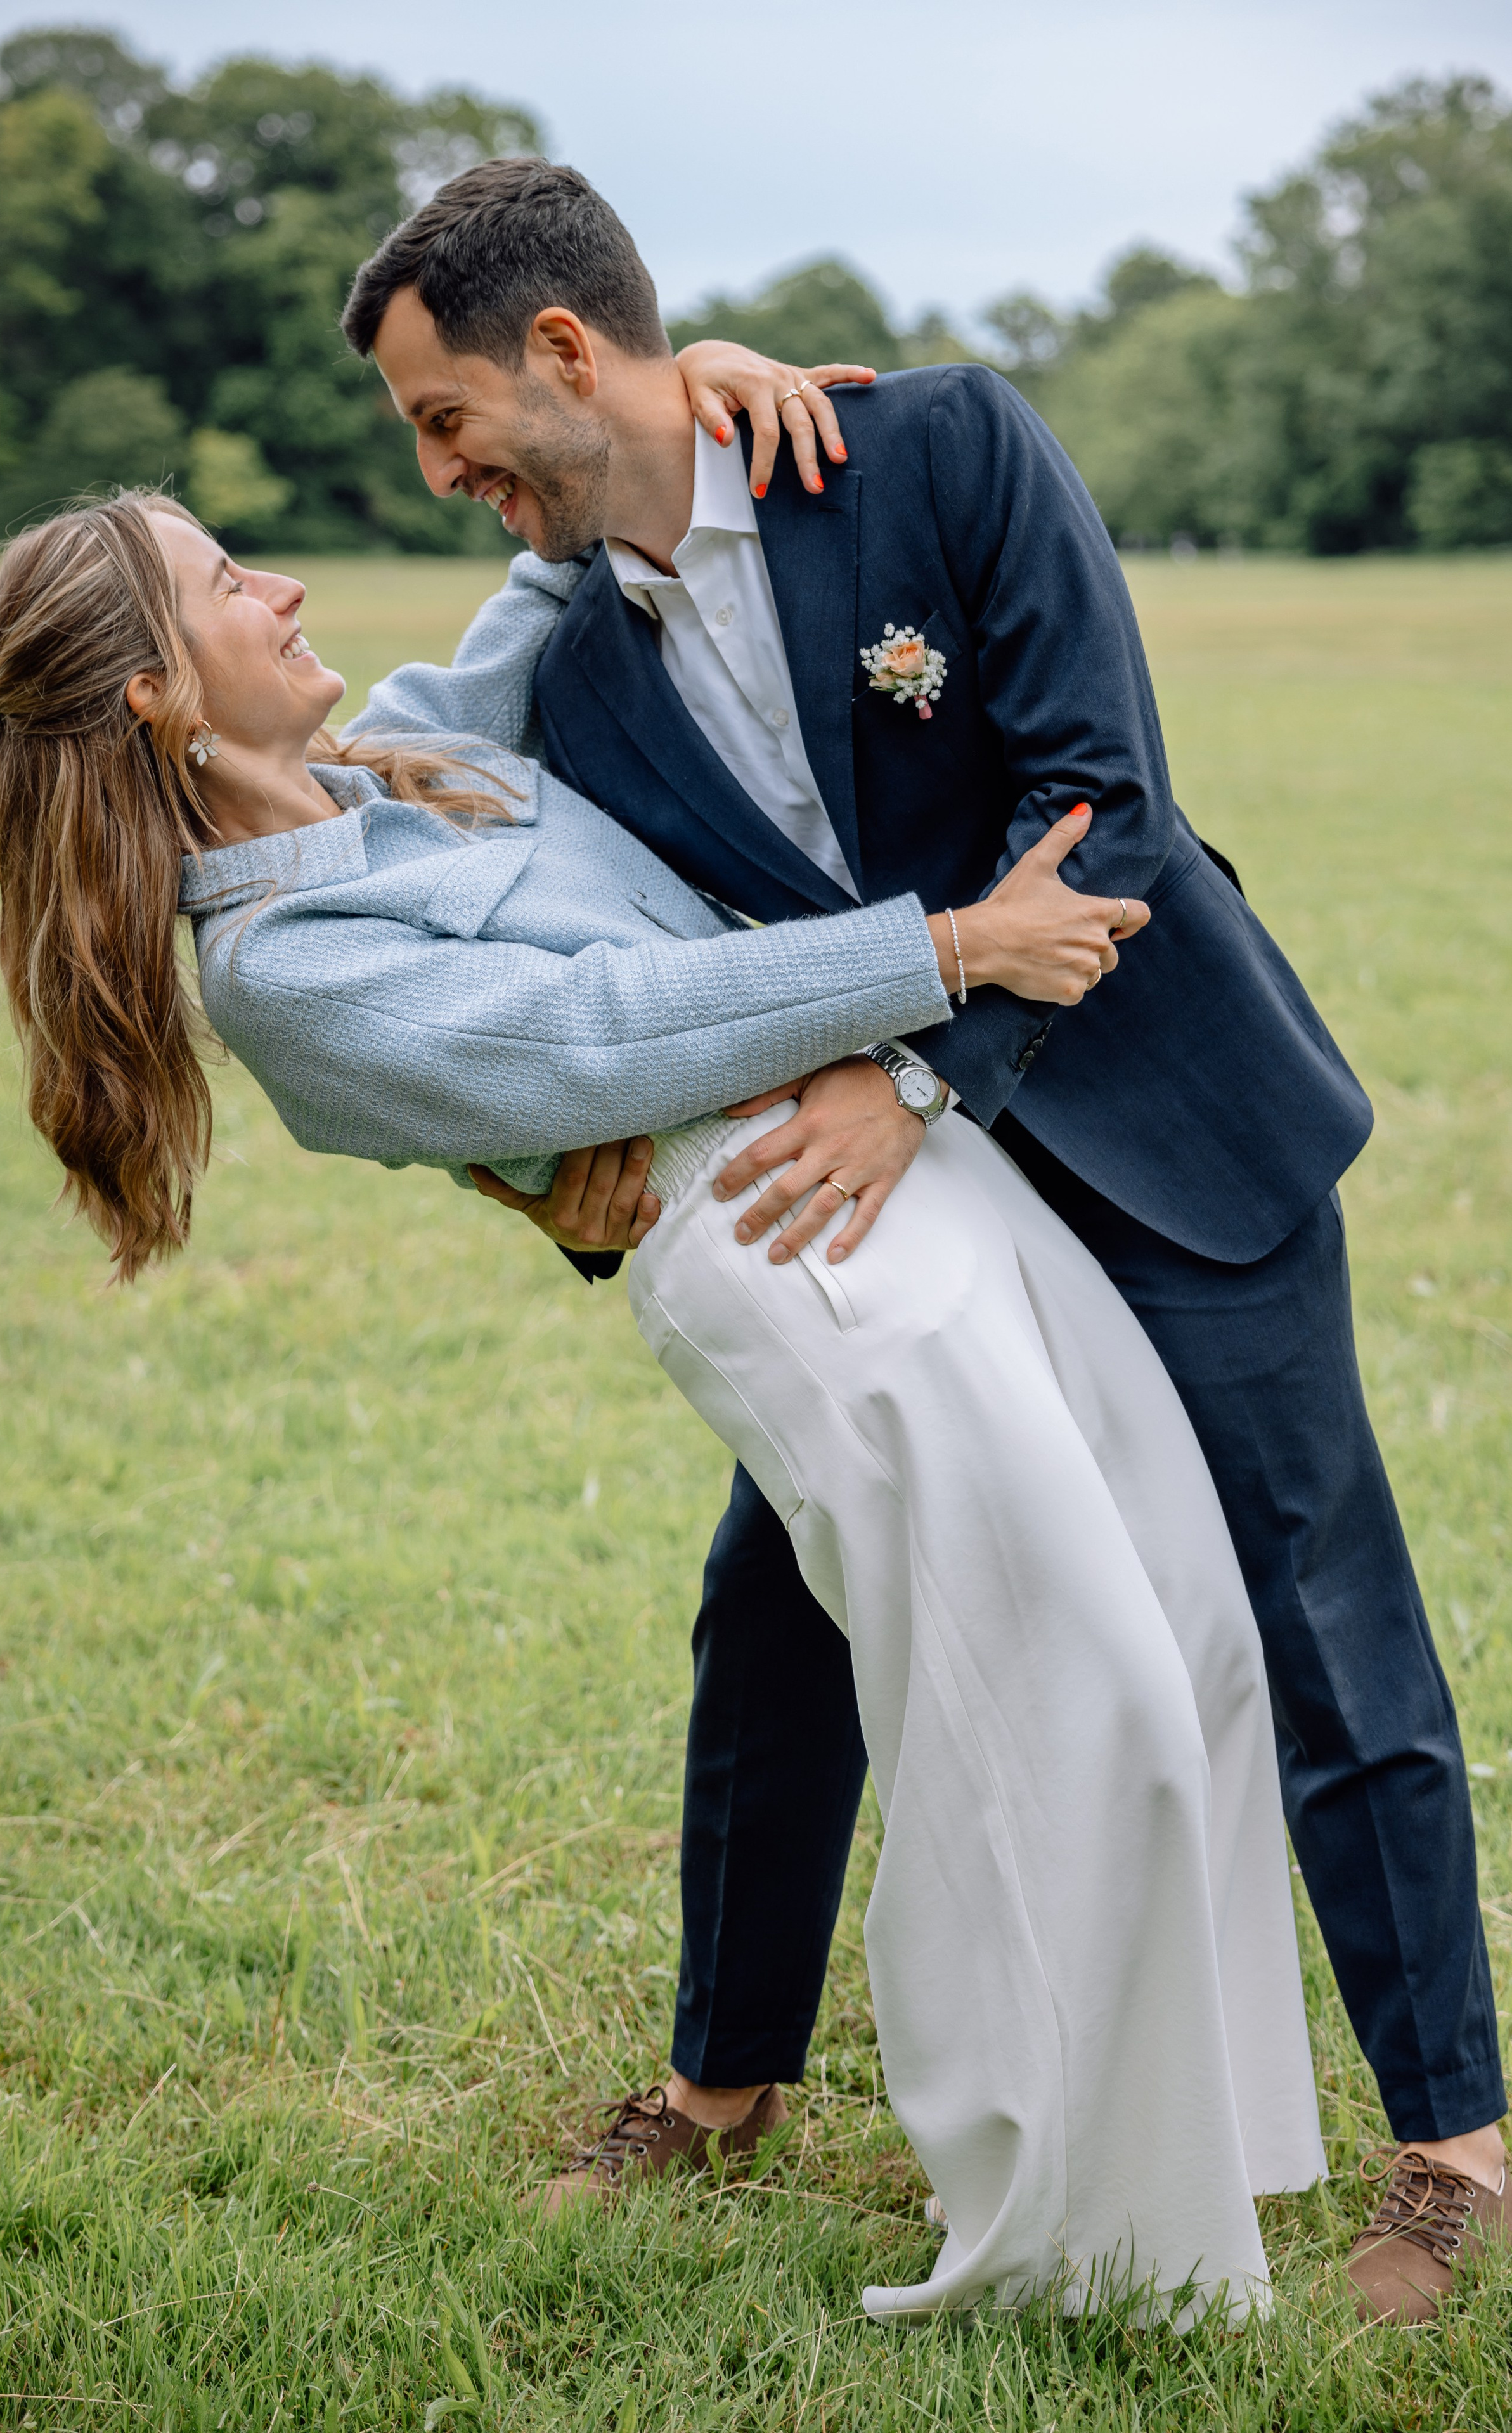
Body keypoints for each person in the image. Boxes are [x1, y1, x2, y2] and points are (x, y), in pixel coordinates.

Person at [337, 157, 1509, 2325]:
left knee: (1318, 1600)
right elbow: (526, 921)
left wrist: (918, 1072)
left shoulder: (942, 449)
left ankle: (1453, 2149)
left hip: (1155, 1125)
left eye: (444, 418)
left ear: (569, 352)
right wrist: (572, 1167)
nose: (439, 473)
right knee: (774, 1621)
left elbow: (1102, 799)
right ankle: (719, 2087)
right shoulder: (568, 678)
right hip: (908, 1230)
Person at [0, 474, 1330, 2325]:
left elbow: (560, 539)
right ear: (152, 693)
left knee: (1176, 1631)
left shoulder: (405, 758)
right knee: (1039, 1702)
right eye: (227, 580)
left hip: (915, 1173)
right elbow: (609, 1032)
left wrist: (706, 404)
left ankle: (1210, 2151)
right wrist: (947, 951)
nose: (283, 584)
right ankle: (1061, 2237)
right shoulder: (282, 963)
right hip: (797, 1255)